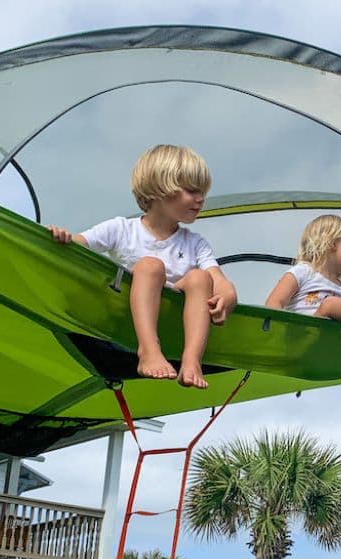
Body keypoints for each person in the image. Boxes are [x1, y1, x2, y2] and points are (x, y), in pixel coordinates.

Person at [47, 144, 237, 389]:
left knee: (200, 277)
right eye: (191, 190)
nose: (200, 199)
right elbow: (77, 246)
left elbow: (217, 279)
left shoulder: (195, 243)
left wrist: (228, 295)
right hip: (124, 317)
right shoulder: (121, 229)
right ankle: (148, 349)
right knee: (150, 266)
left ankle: (191, 360)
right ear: (159, 189)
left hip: (175, 321)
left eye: (202, 192)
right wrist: (61, 237)